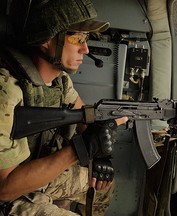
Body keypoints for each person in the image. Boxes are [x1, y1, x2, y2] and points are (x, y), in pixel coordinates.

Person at [0, 0, 127, 215]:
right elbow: (5, 189)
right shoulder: (7, 89)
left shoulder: (60, 81)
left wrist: (103, 133)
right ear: (47, 40)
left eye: (85, 39)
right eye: (77, 38)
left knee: (104, 185)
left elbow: (84, 119)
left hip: (35, 170)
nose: (85, 49)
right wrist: (80, 149)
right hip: (9, 191)